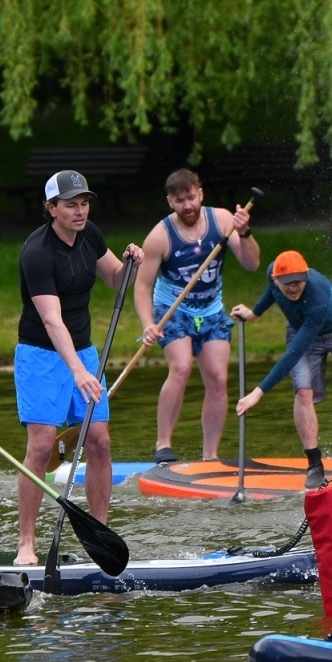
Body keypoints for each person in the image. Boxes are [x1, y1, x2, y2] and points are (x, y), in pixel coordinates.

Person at [15, 169, 142, 565]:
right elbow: (52, 322)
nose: (80, 211)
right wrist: (77, 371)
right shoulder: (36, 253)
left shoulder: (91, 236)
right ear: (50, 209)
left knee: (100, 440)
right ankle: (26, 543)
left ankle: (98, 536)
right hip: (41, 355)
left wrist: (130, 263)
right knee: (40, 445)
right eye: (71, 204)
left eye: (84, 203)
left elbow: (115, 279)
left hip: (84, 351)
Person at [134, 168, 260, 464]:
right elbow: (142, 286)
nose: (187, 206)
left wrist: (245, 232)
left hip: (211, 309)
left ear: (200, 193)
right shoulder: (160, 236)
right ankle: (163, 444)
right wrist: (148, 324)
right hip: (173, 309)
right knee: (181, 369)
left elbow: (252, 264)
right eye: (180, 201)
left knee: (217, 379)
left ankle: (210, 456)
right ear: (170, 202)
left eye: (191, 198)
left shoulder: (224, 221)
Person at [233, 250, 332, 489]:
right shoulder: (273, 275)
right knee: (303, 392)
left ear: (306, 276)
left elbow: (294, 353)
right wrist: (254, 314)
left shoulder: (316, 296)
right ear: (276, 278)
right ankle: (314, 464)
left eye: (298, 282)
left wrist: (259, 391)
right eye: (287, 284)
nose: (293, 288)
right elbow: (272, 292)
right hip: (301, 330)